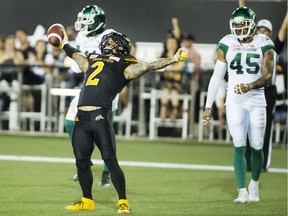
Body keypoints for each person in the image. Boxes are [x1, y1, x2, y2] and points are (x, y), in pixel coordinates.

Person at [53, 29, 187, 213]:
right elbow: (77, 57)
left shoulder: (125, 64)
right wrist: (63, 45)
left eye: (113, 42)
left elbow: (148, 66)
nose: (109, 43)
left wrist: (173, 59)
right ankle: (87, 200)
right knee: (81, 161)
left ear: (121, 47)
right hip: (81, 116)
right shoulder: (93, 58)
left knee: (110, 159)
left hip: (100, 115)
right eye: (108, 42)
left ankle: (122, 201)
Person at [202, 7, 274, 204]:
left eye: (243, 25)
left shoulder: (264, 42)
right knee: (239, 143)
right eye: (237, 25)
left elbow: (268, 76)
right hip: (234, 100)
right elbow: (217, 76)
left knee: (257, 145)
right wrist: (208, 105)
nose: (240, 29)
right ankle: (242, 190)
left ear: (252, 25)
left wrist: (250, 85)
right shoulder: (226, 43)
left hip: (257, 99)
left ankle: (255, 183)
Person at [64, 5, 120, 186]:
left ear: (96, 22)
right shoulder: (81, 36)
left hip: (107, 88)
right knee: (70, 121)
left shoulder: (111, 36)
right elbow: (78, 64)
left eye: (85, 21)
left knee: (105, 131)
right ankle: (84, 160)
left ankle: (107, 171)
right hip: (88, 85)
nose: (81, 24)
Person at [238, 0, 288, 172]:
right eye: (260, 29)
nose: (263, 32)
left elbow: (284, 29)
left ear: (270, 33)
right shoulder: (250, 47)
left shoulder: (273, 47)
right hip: (252, 89)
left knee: (264, 127)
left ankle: (262, 164)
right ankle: (247, 163)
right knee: (246, 126)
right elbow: (243, 19)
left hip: (268, 92)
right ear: (255, 30)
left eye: (266, 30)